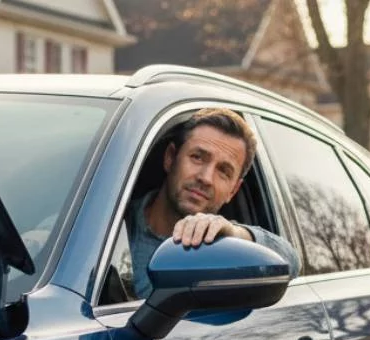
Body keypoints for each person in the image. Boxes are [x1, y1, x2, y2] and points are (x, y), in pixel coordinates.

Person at [124, 108, 301, 300]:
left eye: (223, 171)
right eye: (197, 157)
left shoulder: (222, 243)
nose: (206, 178)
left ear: (233, 191)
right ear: (170, 158)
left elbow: (291, 260)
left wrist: (234, 234)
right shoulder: (112, 221)